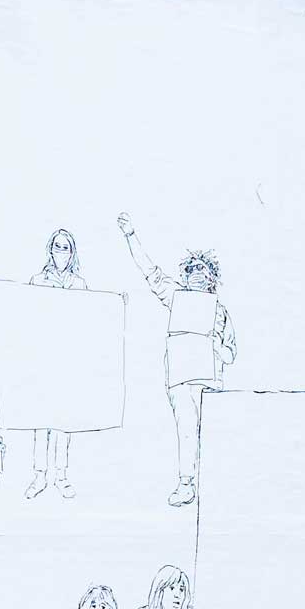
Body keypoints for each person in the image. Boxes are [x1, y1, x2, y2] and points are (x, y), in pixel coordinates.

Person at [119, 215, 236, 507]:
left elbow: (231, 353)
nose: (197, 274)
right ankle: (186, 483)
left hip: (210, 380)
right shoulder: (176, 297)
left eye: (202, 269)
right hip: (182, 378)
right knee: (186, 431)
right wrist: (131, 235)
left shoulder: (220, 311)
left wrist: (216, 346)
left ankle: (215, 486)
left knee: (212, 433)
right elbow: (151, 272)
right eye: (191, 270)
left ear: (211, 277)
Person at [26, 229, 88, 499]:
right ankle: (39, 476)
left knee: (63, 419)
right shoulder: (38, 281)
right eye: (57, 247)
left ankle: (61, 476)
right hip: (42, 358)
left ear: (72, 252)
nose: (61, 252)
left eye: (66, 247)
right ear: (50, 250)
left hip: (69, 360)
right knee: (40, 419)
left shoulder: (79, 284)